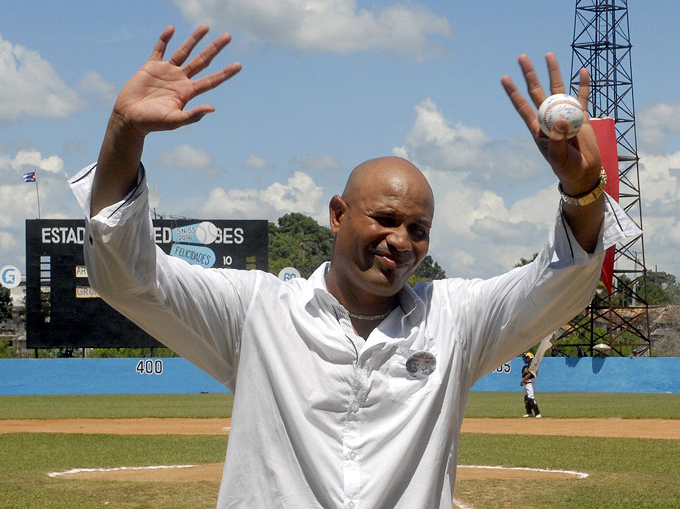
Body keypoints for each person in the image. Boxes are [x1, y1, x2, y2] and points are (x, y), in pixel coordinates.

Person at [69, 25, 640, 508]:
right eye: (385, 218)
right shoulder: (257, 311)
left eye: (418, 230)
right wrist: (125, 132)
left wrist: (583, 186)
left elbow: (562, 281)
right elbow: (129, 277)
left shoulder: (455, 320)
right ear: (338, 215)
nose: (400, 241)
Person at [520, 352, 542, 418]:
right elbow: (523, 375)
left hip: (530, 383)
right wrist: (524, 373)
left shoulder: (532, 364)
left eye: (527, 357)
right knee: (526, 398)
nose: (525, 359)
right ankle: (529, 412)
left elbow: (529, 374)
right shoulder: (526, 366)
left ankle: (538, 413)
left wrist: (523, 381)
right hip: (526, 383)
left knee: (531, 398)